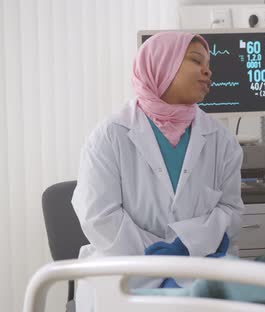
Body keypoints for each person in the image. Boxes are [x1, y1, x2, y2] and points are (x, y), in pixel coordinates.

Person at [72, 32, 244, 311]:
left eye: (208, 63)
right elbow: (99, 216)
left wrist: (187, 246)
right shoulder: (110, 135)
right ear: (162, 65)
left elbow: (231, 210)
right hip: (127, 269)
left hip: (198, 265)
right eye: (195, 59)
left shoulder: (221, 141)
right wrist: (159, 257)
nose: (207, 70)